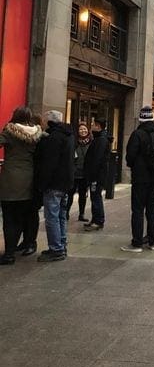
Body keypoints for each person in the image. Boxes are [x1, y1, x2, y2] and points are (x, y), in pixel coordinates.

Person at [0, 106, 43, 265]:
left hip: (10, 180)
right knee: (22, 217)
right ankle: (26, 243)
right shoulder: (38, 134)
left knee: (9, 218)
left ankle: (9, 253)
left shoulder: (9, 132)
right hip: (29, 180)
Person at [121, 105, 154, 252]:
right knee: (152, 210)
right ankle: (153, 241)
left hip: (140, 178)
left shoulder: (137, 134)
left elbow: (130, 157)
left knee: (138, 210)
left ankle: (137, 243)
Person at [35, 110, 75, 262]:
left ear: (50, 122)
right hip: (66, 182)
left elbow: (49, 164)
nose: (43, 123)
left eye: (45, 120)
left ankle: (56, 249)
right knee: (61, 215)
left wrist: (42, 183)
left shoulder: (54, 138)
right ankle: (61, 245)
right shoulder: (68, 135)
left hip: (54, 182)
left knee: (52, 216)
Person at [83, 117, 111, 231]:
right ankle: (95, 219)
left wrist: (92, 175)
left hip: (97, 175)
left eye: (94, 124)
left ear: (98, 126)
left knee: (96, 197)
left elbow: (97, 159)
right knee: (94, 196)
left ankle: (98, 220)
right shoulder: (99, 139)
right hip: (96, 174)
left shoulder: (101, 140)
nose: (92, 127)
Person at [66, 122, 92, 222]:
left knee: (82, 195)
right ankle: (66, 213)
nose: (83, 131)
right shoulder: (73, 142)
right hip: (74, 173)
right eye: (81, 129)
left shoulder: (91, 142)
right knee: (70, 194)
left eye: (84, 129)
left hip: (85, 173)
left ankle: (81, 214)